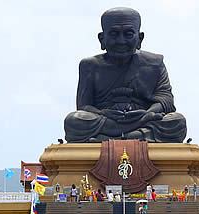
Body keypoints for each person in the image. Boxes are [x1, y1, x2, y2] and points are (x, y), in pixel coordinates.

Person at [63, 7, 187, 143]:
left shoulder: (154, 63)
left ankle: (111, 138)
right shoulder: (90, 66)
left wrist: (147, 114)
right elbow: (84, 106)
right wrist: (103, 113)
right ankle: (136, 137)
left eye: (128, 34)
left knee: (177, 121)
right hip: (108, 121)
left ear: (140, 38)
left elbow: (166, 101)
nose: (121, 41)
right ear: (102, 39)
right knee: (73, 121)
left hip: (144, 119)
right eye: (114, 34)